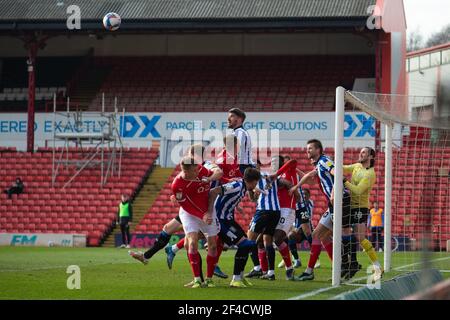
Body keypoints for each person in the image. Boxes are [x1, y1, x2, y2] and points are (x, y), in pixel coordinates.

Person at [294, 139, 351, 281]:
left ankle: (347, 265)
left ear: (318, 150)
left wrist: (333, 193)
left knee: (339, 234)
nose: (308, 151)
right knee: (320, 235)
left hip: (340, 200)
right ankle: (331, 268)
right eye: (307, 148)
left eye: (311, 148)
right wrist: (296, 185)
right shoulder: (320, 164)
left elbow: (338, 174)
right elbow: (309, 177)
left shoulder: (325, 161)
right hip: (334, 203)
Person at [207, 168, 261, 287]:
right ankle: (235, 279)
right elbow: (214, 191)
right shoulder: (236, 185)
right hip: (220, 221)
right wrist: (210, 212)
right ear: (252, 181)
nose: (256, 185)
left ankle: (239, 277)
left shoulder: (243, 187)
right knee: (245, 245)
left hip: (229, 220)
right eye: (256, 183)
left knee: (249, 245)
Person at [341, 147, 382, 280]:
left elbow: (358, 191)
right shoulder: (357, 165)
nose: (360, 153)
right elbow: (344, 168)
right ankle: (350, 264)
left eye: (364, 152)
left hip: (360, 208)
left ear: (370, 157)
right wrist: (330, 165)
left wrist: (344, 181)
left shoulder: (370, 174)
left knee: (360, 237)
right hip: (349, 206)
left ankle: (377, 267)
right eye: (361, 151)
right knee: (344, 234)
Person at [227, 108, 255, 174]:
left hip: (243, 168)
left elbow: (234, 152)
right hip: (243, 167)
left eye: (232, 116)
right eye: (228, 116)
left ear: (239, 119)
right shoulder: (239, 132)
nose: (228, 119)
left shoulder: (239, 132)